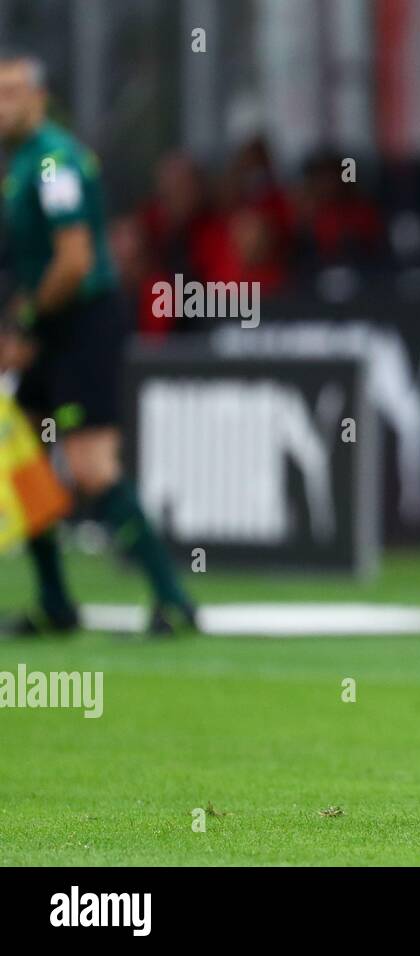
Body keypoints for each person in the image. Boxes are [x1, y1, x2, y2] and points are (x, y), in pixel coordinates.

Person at [0, 52, 197, 636]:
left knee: (90, 466)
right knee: (27, 459)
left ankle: (173, 598)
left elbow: (75, 260)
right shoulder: (20, 166)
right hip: (48, 325)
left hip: (81, 322)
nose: (2, 104)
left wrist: (27, 322)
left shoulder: (54, 162)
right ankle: (56, 601)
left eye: (12, 91)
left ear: (39, 97)